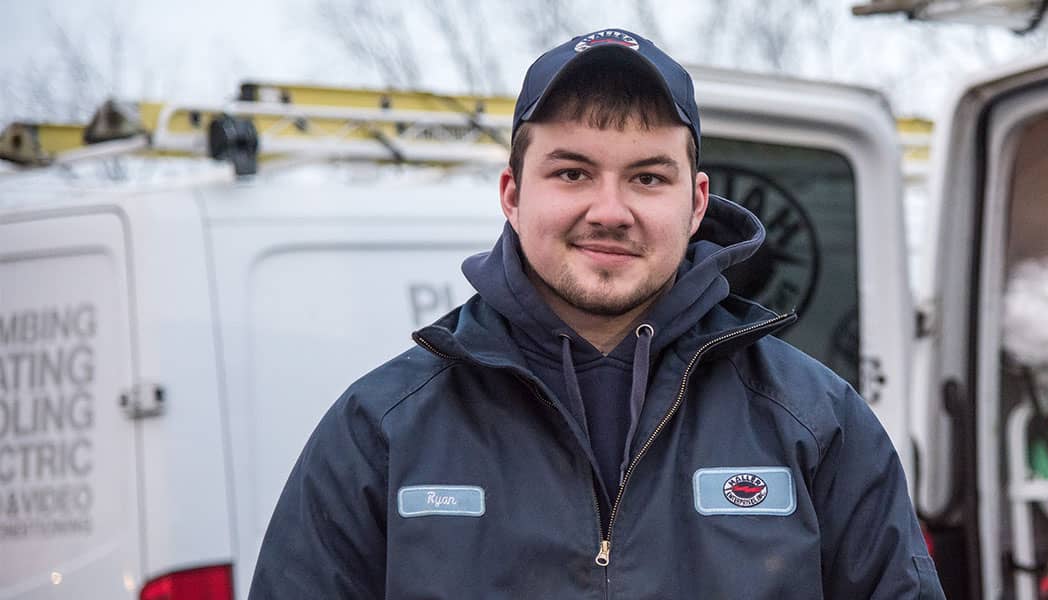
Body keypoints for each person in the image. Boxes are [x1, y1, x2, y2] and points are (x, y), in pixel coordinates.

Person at [249, 28, 943, 599]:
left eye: (646, 177)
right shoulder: (384, 431)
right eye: (573, 172)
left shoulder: (814, 421)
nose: (609, 211)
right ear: (513, 195)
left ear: (696, 202)